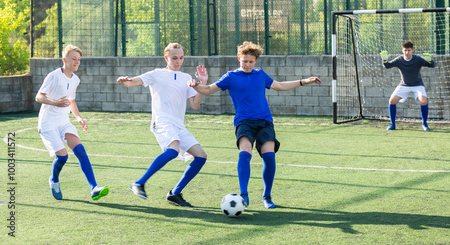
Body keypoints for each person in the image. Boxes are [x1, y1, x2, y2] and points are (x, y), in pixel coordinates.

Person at [188, 41, 322, 209]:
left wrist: (304, 81)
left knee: (269, 156)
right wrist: (196, 85)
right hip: (244, 121)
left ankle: (267, 196)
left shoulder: (261, 75)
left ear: (255, 61)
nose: (247, 64)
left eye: (251, 61)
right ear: (239, 59)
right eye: (244, 61)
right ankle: (244, 194)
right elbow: (207, 89)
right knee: (245, 153)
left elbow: (279, 86)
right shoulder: (230, 76)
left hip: (265, 121)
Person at [116, 43, 207, 207]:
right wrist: (124, 81)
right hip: (162, 122)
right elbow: (131, 82)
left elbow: (194, 105)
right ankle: (139, 183)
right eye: (174, 58)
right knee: (173, 150)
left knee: (201, 156)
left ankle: (175, 193)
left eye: (181, 58)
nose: (178, 61)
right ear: (166, 58)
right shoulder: (156, 74)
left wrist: (201, 83)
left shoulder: (186, 78)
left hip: (179, 125)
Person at [35, 45, 109, 201]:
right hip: (48, 122)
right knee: (62, 157)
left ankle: (94, 188)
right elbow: (39, 97)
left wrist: (79, 118)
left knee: (80, 150)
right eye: (73, 59)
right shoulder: (53, 76)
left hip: (63, 121)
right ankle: (54, 180)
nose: (77, 62)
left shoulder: (75, 79)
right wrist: (54, 102)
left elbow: (71, 101)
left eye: (79, 59)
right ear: (64, 60)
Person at [380, 41, 435, 131]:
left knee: (423, 101)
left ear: (413, 50)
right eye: (405, 50)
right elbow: (388, 66)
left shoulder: (417, 59)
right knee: (392, 101)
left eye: (409, 50)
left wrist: (430, 61)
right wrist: (384, 61)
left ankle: (424, 124)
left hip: (418, 85)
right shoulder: (399, 60)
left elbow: (431, 65)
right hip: (404, 85)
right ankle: (392, 124)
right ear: (402, 50)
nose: (407, 52)